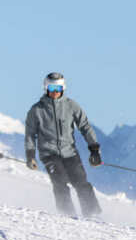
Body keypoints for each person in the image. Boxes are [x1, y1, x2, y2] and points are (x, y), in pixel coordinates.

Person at [24, 72, 104, 217]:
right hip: (49, 153)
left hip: (70, 152)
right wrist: (30, 156)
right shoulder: (37, 110)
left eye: (58, 88)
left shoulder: (71, 106)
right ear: (45, 88)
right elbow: (30, 134)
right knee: (60, 183)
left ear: (63, 89)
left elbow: (85, 126)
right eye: (52, 88)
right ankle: (67, 215)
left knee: (82, 183)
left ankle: (93, 214)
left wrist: (94, 150)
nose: (55, 92)